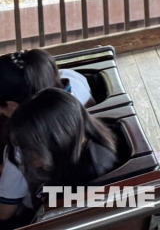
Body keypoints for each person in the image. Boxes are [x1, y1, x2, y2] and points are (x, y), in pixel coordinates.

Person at [0, 51, 95, 226]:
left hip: (45, 209)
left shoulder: (22, 147)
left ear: (13, 106)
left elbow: (4, 212)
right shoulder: (72, 80)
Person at [7, 90, 119, 220]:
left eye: (36, 151)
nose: (34, 162)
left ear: (58, 140)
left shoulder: (75, 193)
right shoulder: (91, 141)